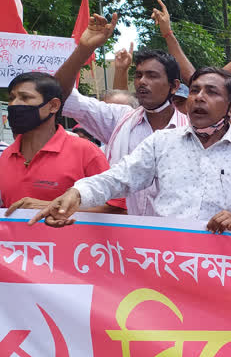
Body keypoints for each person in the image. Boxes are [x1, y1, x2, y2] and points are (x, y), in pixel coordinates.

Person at [30, 68, 231, 232]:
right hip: (166, 263)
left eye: (211, 92)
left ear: (230, 107)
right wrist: (77, 193)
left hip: (224, 268)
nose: (198, 97)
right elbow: (119, 177)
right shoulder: (162, 142)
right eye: (194, 90)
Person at [56, 13, 187, 216]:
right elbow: (58, 96)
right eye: (139, 75)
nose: (142, 81)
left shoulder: (190, 131)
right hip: (117, 240)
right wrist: (84, 49)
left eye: (152, 76)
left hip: (170, 241)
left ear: (174, 86)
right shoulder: (118, 119)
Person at [0, 72, 111, 212]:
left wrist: (50, 208)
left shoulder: (85, 152)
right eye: (12, 98)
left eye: (25, 97)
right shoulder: (6, 156)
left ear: (53, 106)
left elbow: (117, 208)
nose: (14, 104)